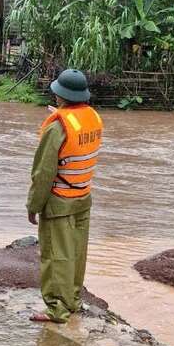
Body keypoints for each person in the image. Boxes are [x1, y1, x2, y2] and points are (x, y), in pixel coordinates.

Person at [26, 69, 103, 323]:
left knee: (56, 254)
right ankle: (73, 299)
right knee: (77, 253)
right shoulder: (92, 117)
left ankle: (57, 309)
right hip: (83, 197)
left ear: (60, 95)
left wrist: (33, 205)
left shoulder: (57, 126)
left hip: (59, 201)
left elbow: (44, 172)